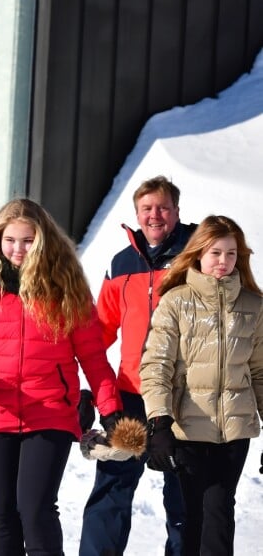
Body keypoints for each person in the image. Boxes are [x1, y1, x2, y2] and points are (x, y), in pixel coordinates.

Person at [0, 198, 145, 556]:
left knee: (35, 511)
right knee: (1, 515)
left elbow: (94, 358)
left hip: (50, 411)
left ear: (43, 240)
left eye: (28, 240)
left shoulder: (66, 289)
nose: (18, 249)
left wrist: (110, 410)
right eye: (10, 240)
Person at [79, 175, 196, 556]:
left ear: (177, 211)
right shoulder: (122, 263)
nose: (154, 215)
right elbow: (99, 333)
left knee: (184, 496)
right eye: (146, 208)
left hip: (182, 398)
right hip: (130, 397)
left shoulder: (196, 258)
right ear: (136, 214)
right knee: (112, 488)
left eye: (162, 207)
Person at [140, 215, 263, 556]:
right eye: (215, 253)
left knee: (219, 512)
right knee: (195, 515)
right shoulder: (176, 302)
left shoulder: (253, 306)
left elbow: (261, 373)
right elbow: (156, 366)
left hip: (234, 432)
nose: (224, 261)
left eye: (231, 254)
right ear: (197, 254)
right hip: (187, 430)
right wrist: (159, 421)